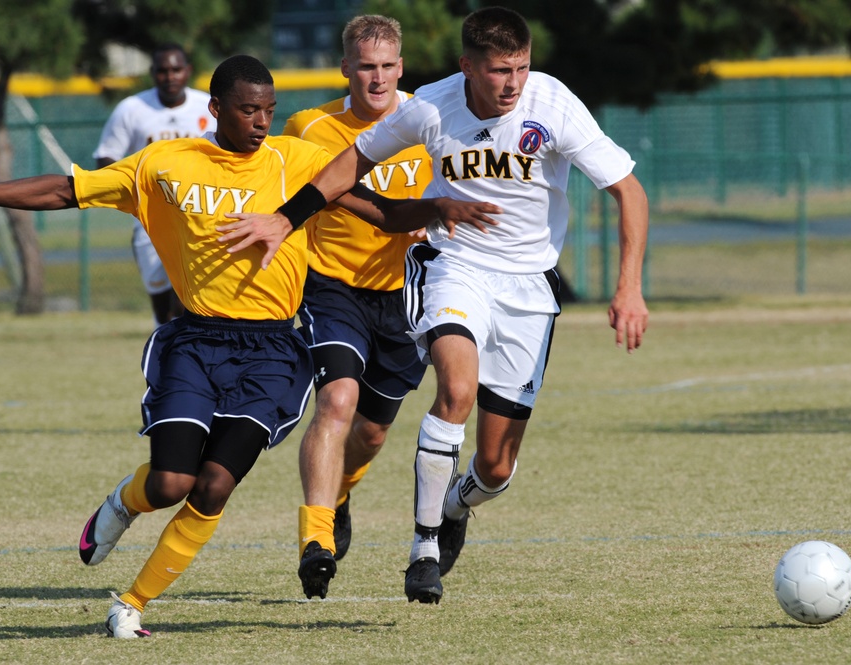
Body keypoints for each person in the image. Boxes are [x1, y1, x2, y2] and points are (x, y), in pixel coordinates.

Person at [0, 55, 497, 637]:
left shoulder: (297, 161)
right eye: (248, 110)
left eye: (268, 109)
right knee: (169, 484)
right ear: (215, 109)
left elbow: (380, 210)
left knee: (214, 485)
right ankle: (121, 504)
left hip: (271, 351)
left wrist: (438, 207)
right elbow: (66, 190)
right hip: (194, 340)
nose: (262, 121)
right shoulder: (165, 165)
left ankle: (133, 603)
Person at [221, 7, 650, 605]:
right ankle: (423, 548)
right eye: (500, 71)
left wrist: (628, 287)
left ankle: (455, 505)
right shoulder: (430, 107)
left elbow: (628, 190)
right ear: (466, 66)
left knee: (495, 468)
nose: (513, 84)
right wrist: (285, 220)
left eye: (521, 69)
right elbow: (350, 164)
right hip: (456, 266)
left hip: (529, 284)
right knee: (455, 390)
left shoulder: (552, 105)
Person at [281, 15, 432, 600]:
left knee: (370, 435)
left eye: (387, 66)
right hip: (332, 288)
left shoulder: (428, 118)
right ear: (346, 68)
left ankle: (340, 494)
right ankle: (315, 539)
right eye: (365, 67)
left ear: (401, 67)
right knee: (336, 400)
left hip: (405, 295)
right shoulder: (309, 127)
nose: (377, 78)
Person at [93, 43, 215, 327]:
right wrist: (133, 188)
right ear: (152, 73)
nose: (170, 76)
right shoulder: (132, 109)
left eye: (176, 69)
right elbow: (106, 157)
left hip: (199, 214)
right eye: (162, 70)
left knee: (189, 301)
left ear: (188, 71)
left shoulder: (208, 106)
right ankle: (165, 354)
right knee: (162, 306)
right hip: (152, 217)